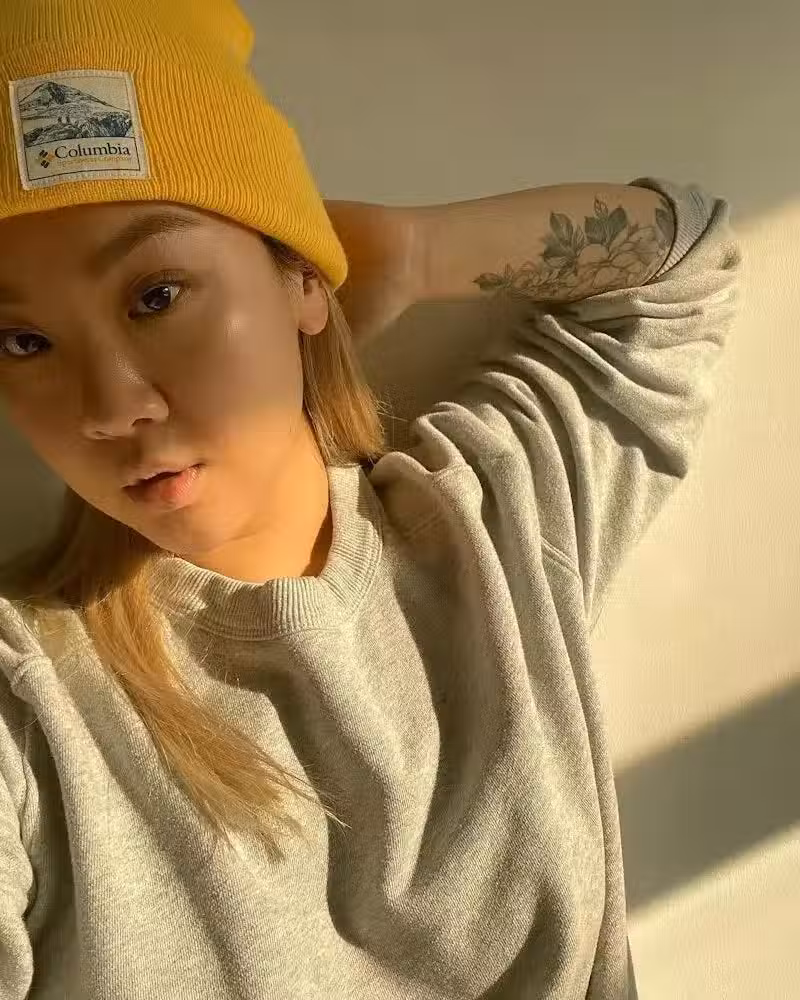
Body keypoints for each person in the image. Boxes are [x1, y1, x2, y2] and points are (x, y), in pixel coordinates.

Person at [0, 1, 740, 999]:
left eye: (156, 295)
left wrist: (413, 251)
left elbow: (681, 266)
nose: (109, 406)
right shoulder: (28, 700)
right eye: (24, 342)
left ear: (299, 280)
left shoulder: (490, 525)